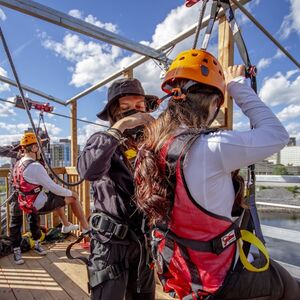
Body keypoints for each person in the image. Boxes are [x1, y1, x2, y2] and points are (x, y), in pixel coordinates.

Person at [134, 49, 300, 300]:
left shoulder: (154, 146)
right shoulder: (210, 147)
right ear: (213, 104)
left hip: (182, 271)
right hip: (220, 277)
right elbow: (278, 135)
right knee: (289, 285)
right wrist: (238, 86)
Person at [77, 78, 157, 300]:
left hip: (142, 243)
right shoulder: (102, 140)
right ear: (114, 112)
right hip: (110, 244)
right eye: (125, 107)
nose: (135, 112)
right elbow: (89, 170)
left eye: (140, 106)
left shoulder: (149, 145)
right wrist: (119, 128)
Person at [12, 132, 89, 263]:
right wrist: (72, 193)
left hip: (23, 201)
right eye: (39, 146)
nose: (41, 149)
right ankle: (86, 228)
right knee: (72, 198)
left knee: (54, 199)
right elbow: (54, 187)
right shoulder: (35, 166)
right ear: (34, 148)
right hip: (37, 204)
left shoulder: (18, 164)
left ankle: (64, 226)